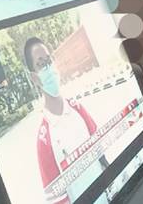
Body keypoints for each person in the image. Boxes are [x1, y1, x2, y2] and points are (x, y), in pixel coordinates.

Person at [24, 37, 109, 204]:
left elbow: (101, 155)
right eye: (41, 64)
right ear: (34, 78)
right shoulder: (44, 141)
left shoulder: (78, 109)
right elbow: (57, 199)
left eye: (49, 60)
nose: (48, 68)